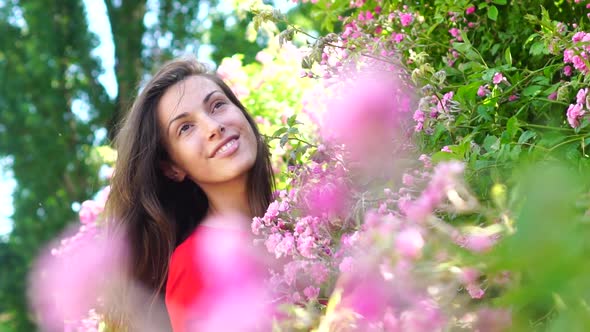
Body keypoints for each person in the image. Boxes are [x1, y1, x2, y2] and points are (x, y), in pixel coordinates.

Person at [104, 58, 275, 331]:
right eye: (185, 127)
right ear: (172, 167)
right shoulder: (194, 264)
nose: (213, 127)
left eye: (218, 105)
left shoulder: (305, 223)